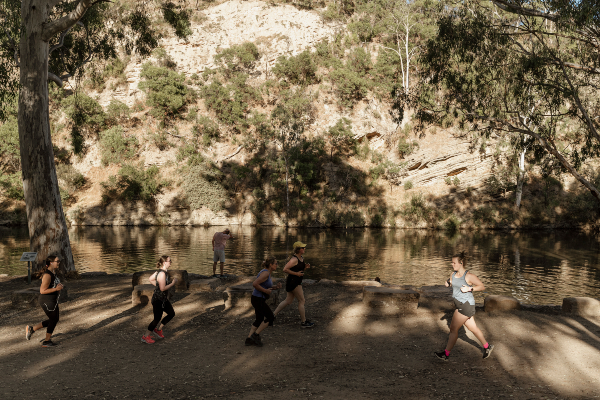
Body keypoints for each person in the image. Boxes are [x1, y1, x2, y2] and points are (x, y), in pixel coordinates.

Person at [435, 251, 494, 361]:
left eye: (454, 263)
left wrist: (469, 289)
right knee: (473, 328)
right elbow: (452, 282)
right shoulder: (453, 274)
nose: (452, 264)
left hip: (465, 305)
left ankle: (446, 354)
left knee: (453, 329)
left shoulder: (469, 276)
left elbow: (482, 286)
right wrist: (448, 283)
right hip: (460, 304)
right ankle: (487, 346)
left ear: (461, 263)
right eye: (451, 263)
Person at [273, 241, 315, 328]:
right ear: (299, 249)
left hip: (295, 281)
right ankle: (304, 322)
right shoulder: (294, 259)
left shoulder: (301, 258)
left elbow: (298, 270)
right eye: (303, 248)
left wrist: (305, 268)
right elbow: (285, 269)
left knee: (288, 301)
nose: (304, 249)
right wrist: (297, 274)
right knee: (302, 301)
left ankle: (272, 315)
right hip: (294, 282)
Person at [25, 255, 65, 347]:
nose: (59, 263)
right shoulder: (47, 275)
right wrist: (56, 289)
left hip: (52, 300)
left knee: (54, 319)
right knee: (53, 320)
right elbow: (42, 291)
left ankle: (32, 329)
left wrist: (58, 287)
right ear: (51, 263)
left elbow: (53, 286)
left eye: (59, 261)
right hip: (47, 301)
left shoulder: (53, 272)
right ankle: (47, 341)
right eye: (57, 261)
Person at [245, 256, 282, 347]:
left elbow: (264, 286)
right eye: (276, 263)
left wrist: (275, 287)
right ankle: (255, 335)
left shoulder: (267, 273)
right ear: (271, 264)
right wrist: (265, 291)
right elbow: (255, 284)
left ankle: (249, 339)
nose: (277, 265)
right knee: (270, 317)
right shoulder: (265, 273)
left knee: (259, 319)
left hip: (257, 298)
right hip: (258, 299)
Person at [141, 255, 178, 344]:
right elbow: (162, 288)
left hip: (163, 299)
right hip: (158, 300)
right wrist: (172, 283)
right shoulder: (162, 274)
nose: (171, 262)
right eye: (169, 261)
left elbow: (150, 279)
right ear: (165, 262)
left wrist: (157, 286)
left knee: (171, 313)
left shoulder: (161, 272)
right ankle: (145, 336)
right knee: (156, 319)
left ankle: (158, 329)